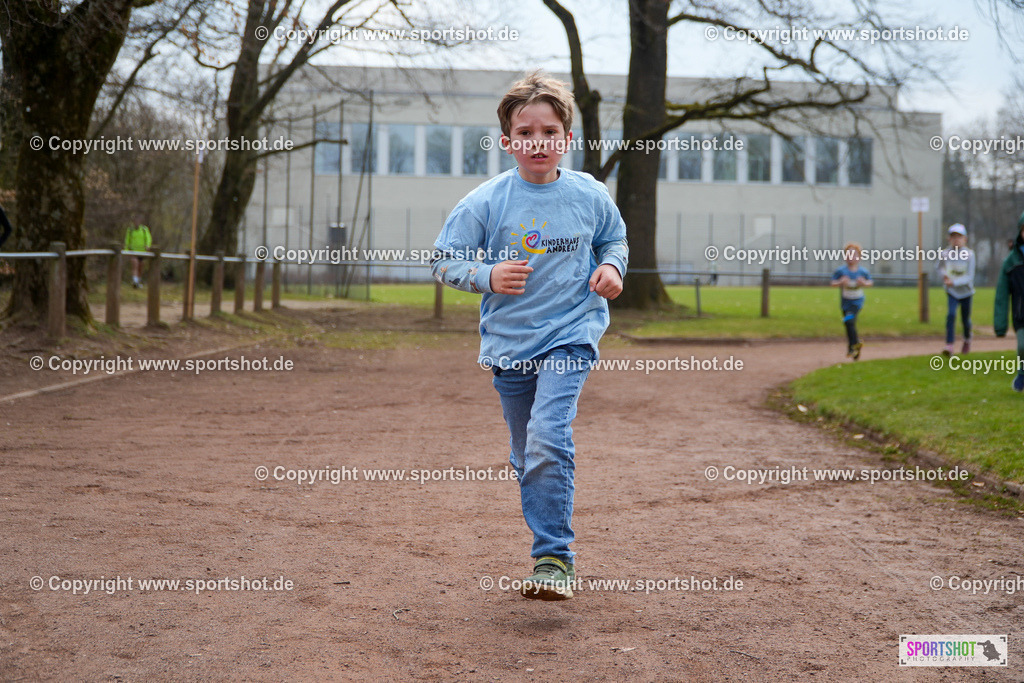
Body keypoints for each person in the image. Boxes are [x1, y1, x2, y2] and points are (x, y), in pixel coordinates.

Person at [430, 71, 628, 601]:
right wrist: (486, 275)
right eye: (525, 133)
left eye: (549, 132)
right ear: (507, 141)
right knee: (526, 453)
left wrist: (612, 267)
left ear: (567, 138)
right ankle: (546, 520)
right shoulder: (485, 202)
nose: (538, 142)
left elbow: (614, 239)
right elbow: (443, 261)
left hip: (571, 333)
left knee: (546, 436)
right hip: (510, 346)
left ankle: (553, 558)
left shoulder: (589, 194)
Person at [994, 211, 1024, 392]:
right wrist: (1000, 325)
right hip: (1021, 315)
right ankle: (1022, 372)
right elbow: (1001, 294)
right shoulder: (1011, 261)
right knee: (1022, 346)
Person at [936, 224, 975, 355]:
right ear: (949, 239)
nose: (956, 239)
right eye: (953, 237)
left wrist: (954, 282)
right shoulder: (945, 254)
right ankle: (949, 345)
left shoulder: (970, 255)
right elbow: (939, 267)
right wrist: (944, 276)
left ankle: (967, 338)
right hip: (952, 292)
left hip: (966, 292)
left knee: (965, 320)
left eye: (959, 236)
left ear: (965, 239)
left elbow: (969, 277)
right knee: (951, 315)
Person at [831, 242, 873, 360]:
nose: (851, 258)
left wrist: (864, 283)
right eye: (848, 255)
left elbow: (870, 282)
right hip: (845, 303)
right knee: (848, 323)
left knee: (849, 321)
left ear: (859, 257)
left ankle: (852, 346)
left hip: (856, 303)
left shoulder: (862, 272)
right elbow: (833, 283)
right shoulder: (841, 271)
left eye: (854, 255)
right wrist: (840, 282)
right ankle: (855, 344)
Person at [124, 218, 152, 288]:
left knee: (140, 267)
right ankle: (135, 281)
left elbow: (148, 238)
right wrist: (126, 250)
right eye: (135, 221)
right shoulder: (130, 230)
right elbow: (127, 241)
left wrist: (148, 246)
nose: (136, 223)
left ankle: (138, 281)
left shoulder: (144, 229)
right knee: (135, 265)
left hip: (142, 252)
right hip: (133, 251)